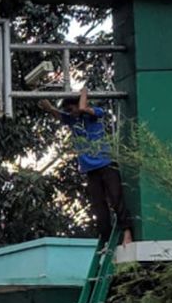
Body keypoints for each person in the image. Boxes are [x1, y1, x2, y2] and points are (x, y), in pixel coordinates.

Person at [40, 87, 134, 245]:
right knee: (99, 206)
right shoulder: (72, 120)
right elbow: (57, 114)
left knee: (116, 199)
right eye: (68, 111)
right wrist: (48, 107)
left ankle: (127, 232)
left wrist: (83, 93)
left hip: (106, 163)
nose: (71, 113)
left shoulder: (95, 114)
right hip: (90, 169)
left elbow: (83, 107)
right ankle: (106, 238)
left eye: (71, 109)